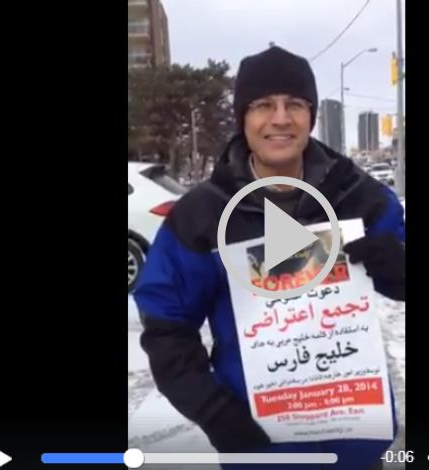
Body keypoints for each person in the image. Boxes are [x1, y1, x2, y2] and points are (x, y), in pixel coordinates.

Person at [133, 45, 405, 470]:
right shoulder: (202, 215)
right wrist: (213, 411)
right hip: (260, 445)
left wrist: (399, 266)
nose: (280, 118)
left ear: (311, 115)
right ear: (243, 118)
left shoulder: (360, 196)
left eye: (294, 104)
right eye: (262, 105)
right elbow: (167, 326)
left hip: (357, 442)